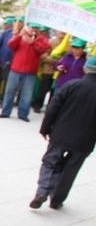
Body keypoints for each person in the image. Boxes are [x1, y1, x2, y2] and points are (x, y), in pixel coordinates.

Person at [29, 56, 96, 210]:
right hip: (85, 140)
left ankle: (42, 191)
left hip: (61, 133)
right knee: (71, 169)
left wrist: (45, 128)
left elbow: (53, 107)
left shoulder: (71, 85)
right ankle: (56, 199)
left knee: (50, 162)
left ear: (85, 69)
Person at [0, 24, 51, 121]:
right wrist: (19, 36)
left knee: (27, 94)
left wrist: (33, 42)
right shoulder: (21, 36)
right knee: (10, 91)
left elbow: (43, 49)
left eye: (36, 28)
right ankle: (5, 111)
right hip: (16, 69)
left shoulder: (42, 39)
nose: (33, 30)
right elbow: (11, 44)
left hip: (30, 71)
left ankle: (23, 114)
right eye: (32, 28)